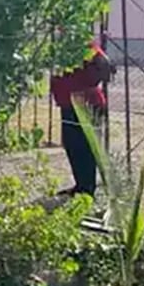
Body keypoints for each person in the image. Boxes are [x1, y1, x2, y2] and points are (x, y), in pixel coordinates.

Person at [49, 39, 113, 197]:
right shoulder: (61, 47)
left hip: (85, 101)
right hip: (69, 102)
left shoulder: (82, 44)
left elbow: (104, 65)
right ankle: (82, 185)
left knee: (86, 146)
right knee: (73, 145)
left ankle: (88, 189)